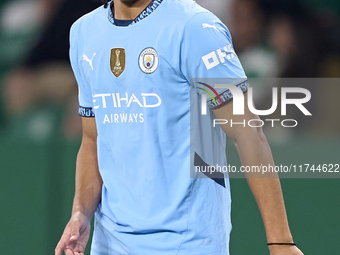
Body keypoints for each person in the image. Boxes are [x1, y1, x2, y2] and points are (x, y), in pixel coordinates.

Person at [55, 0, 304, 254]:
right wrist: (80, 213)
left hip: (188, 243)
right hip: (111, 244)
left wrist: (281, 242)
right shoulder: (84, 32)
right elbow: (93, 141)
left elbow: (247, 131)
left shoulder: (195, 28)